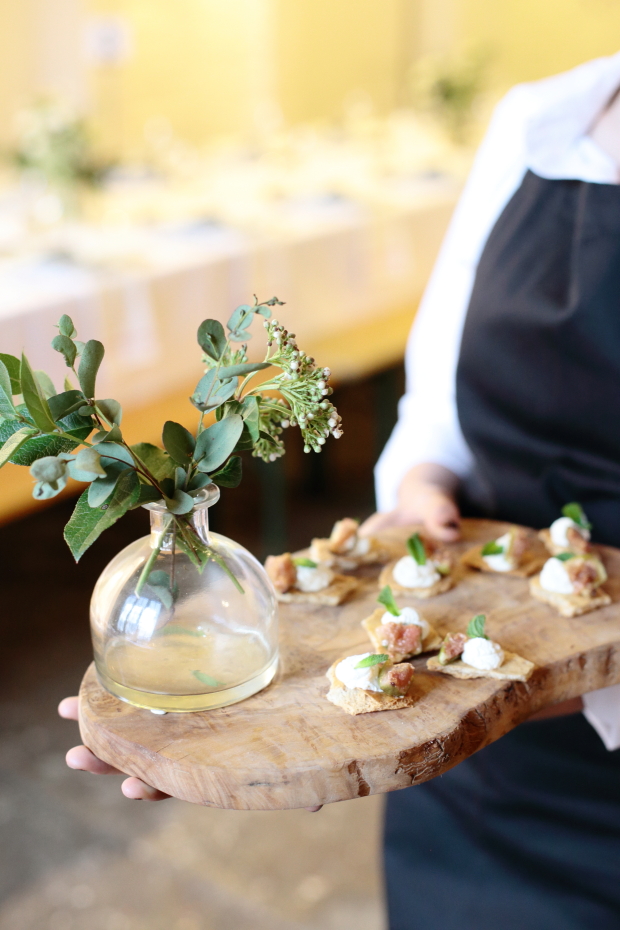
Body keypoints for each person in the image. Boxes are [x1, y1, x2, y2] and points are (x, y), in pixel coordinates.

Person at [60, 51, 620, 927]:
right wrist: (423, 487)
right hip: (461, 737)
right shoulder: (539, 119)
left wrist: (580, 675)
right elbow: (438, 393)